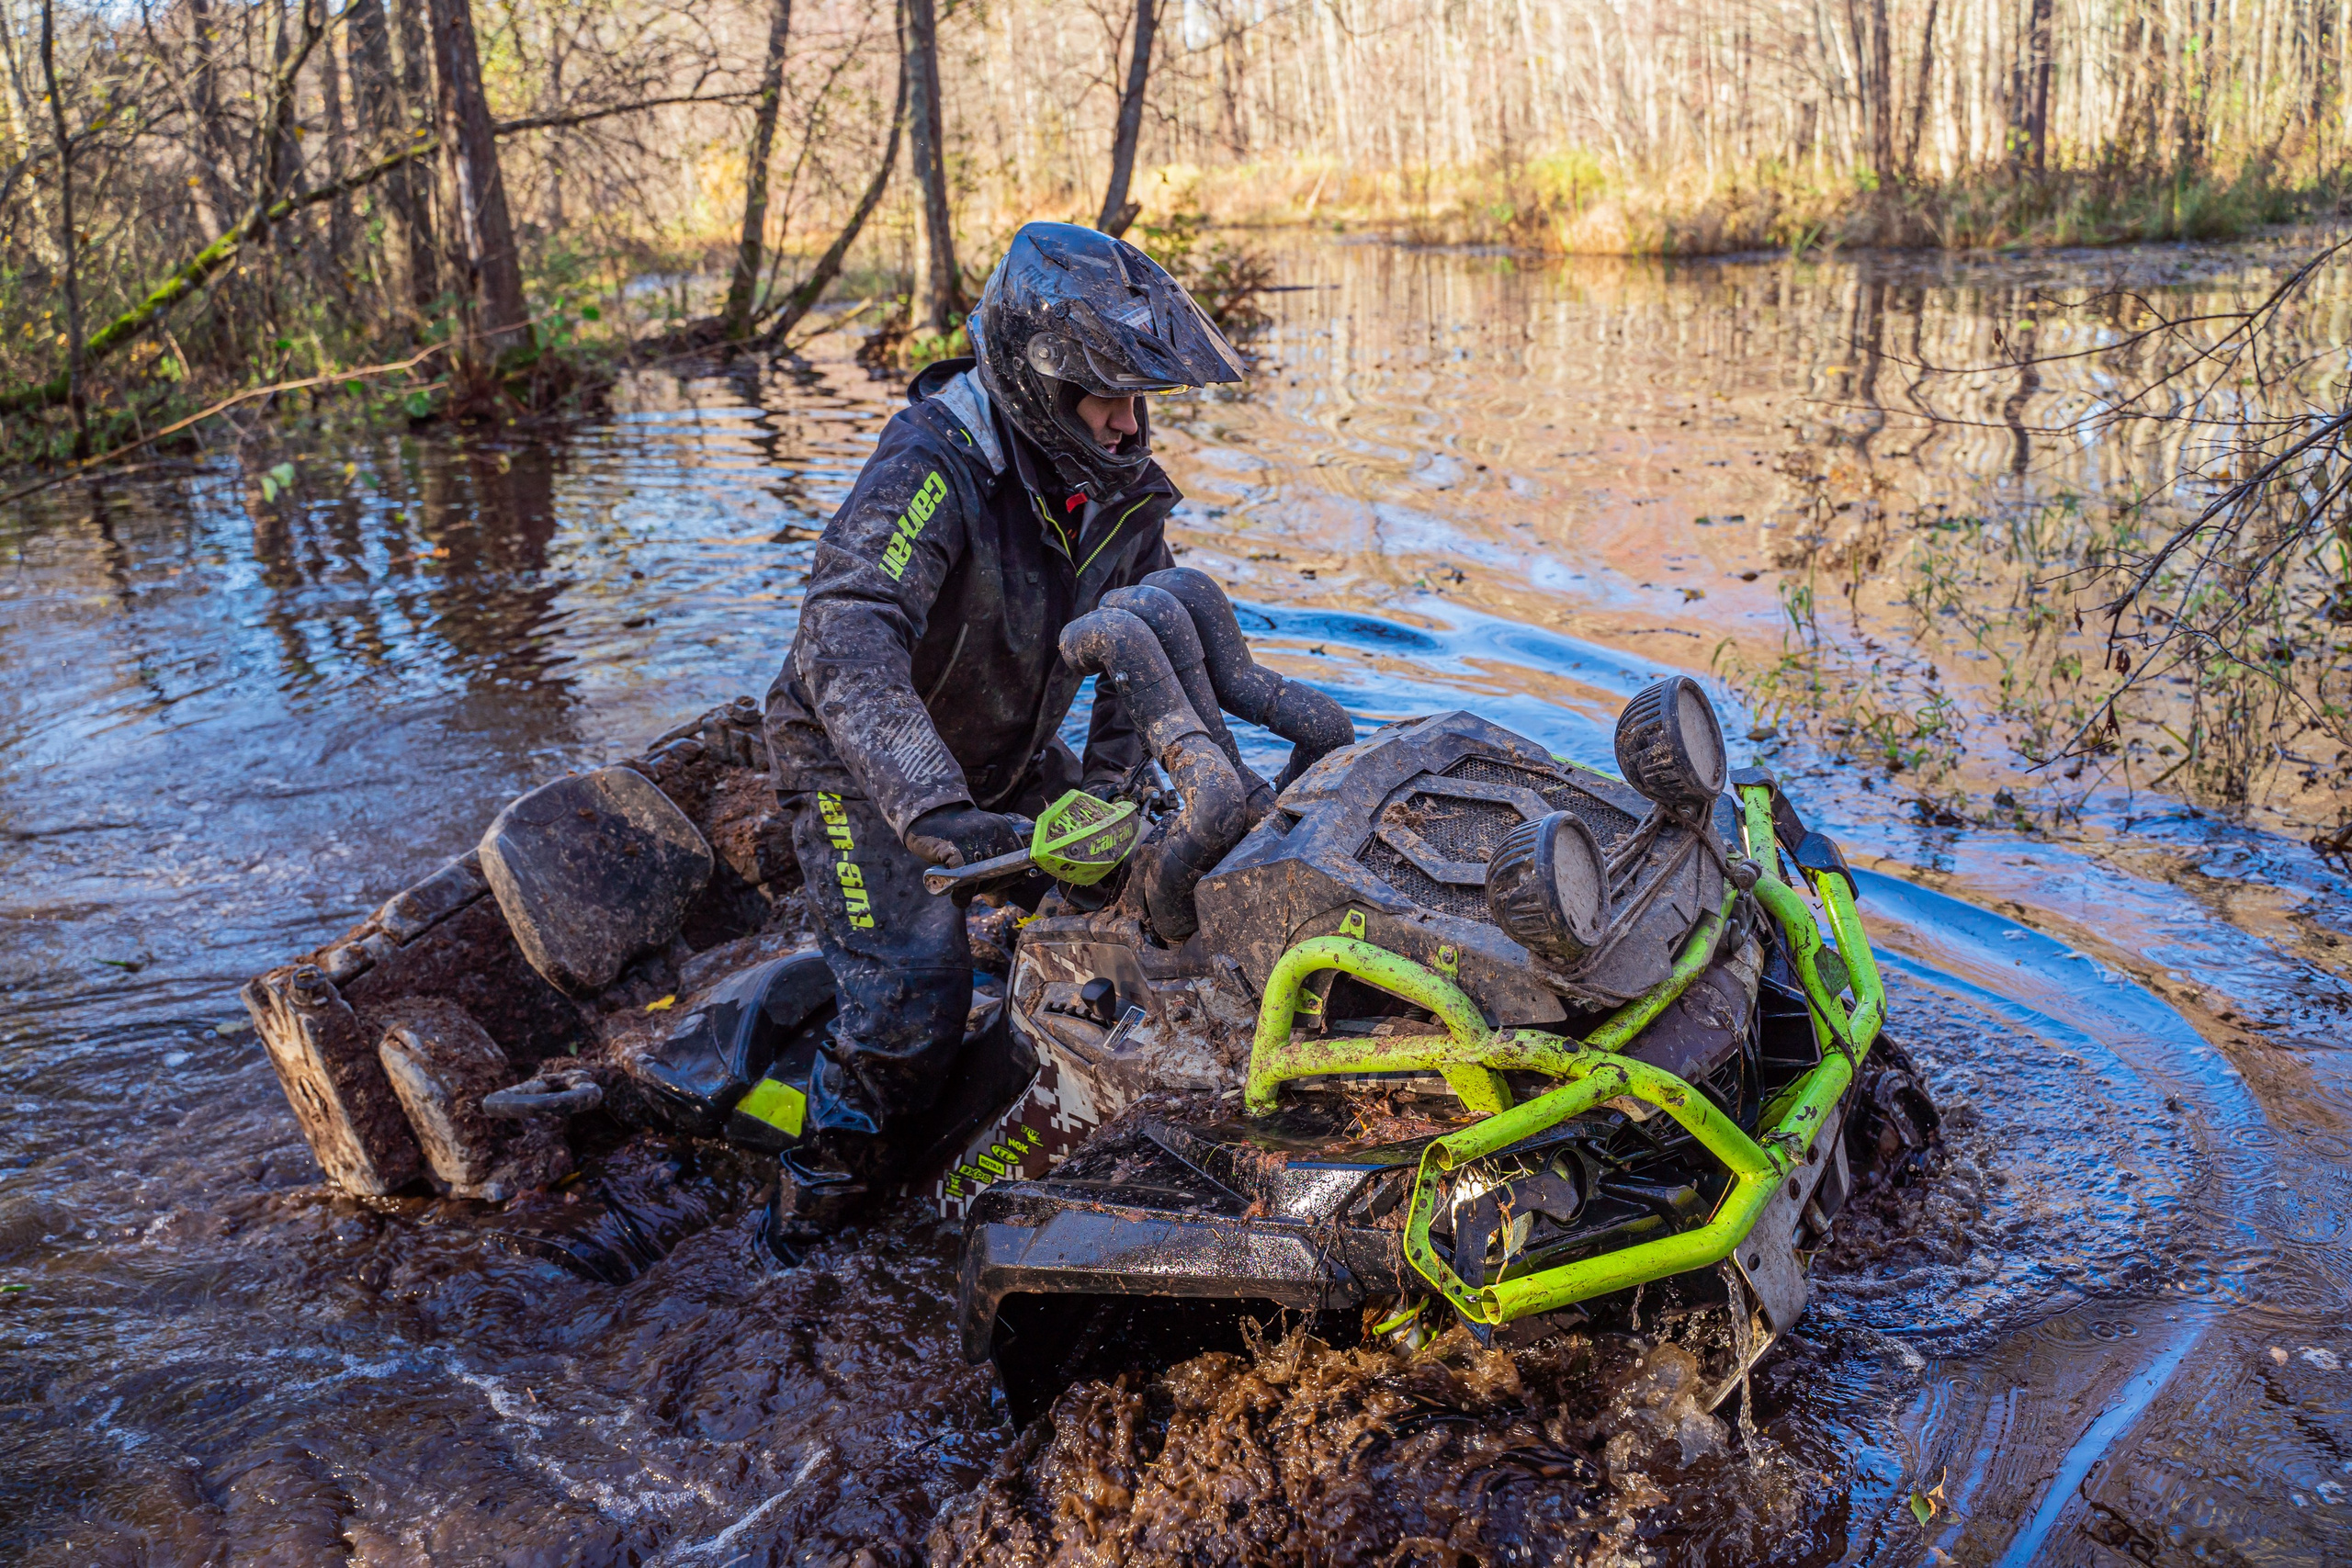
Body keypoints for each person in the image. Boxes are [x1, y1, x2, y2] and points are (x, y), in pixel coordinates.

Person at [761, 220, 1246, 1245]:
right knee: (910, 1008)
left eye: (1134, 398)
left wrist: (1118, 800)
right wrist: (931, 806)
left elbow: (1138, 648)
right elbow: (844, 628)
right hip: (861, 767)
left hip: (1004, 753)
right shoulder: (936, 459)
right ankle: (809, 1221)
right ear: (1038, 383)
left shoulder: (1119, 489)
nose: (1126, 424)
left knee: (1144, 907)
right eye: (1103, 399)